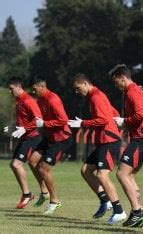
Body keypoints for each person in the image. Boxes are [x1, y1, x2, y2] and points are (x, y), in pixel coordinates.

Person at [69, 73, 126, 224]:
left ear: (85, 84)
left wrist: (83, 124)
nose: (76, 91)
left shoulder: (96, 97)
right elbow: (113, 113)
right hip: (104, 141)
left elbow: (102, 120)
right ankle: (105, 201)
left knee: (102, 175)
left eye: (77, 88)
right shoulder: (97, 95)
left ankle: (119, 211)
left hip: (109, 141)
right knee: (86, 170)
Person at [109, 64, 143, 227]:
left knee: (121, 174)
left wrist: (124, 121)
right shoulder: (137, 89)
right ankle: (139, 210)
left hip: (142, 138)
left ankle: (137, 212)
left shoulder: (132, 91)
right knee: (129, 175)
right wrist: (126, 126)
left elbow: (142, 114)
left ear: (123, 78)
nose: (117, 86)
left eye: (117, 82)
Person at [29, 79, 73, 214]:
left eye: (35, 89)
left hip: (61, 139)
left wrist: (45, 124)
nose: (33, 91)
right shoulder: (40, 100)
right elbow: (39, 121)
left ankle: (55, 201)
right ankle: (45, 191)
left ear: (42, 87)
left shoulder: (53, 99)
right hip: (49, 137)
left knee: (43, 169)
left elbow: (63, 120)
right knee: (32, 161)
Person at [4, 76, 46, 209]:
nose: (10, 92)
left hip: (32, 138)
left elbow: (38, 120)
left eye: (11, 89)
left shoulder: (28, 100)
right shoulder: (19, 101)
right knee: (16, 165)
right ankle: (42, 192)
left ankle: (28, 194)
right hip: (25, 138)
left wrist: (25, 128)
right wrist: (13, 126)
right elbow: (23, 120)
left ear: (18, 87)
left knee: (17, 165)